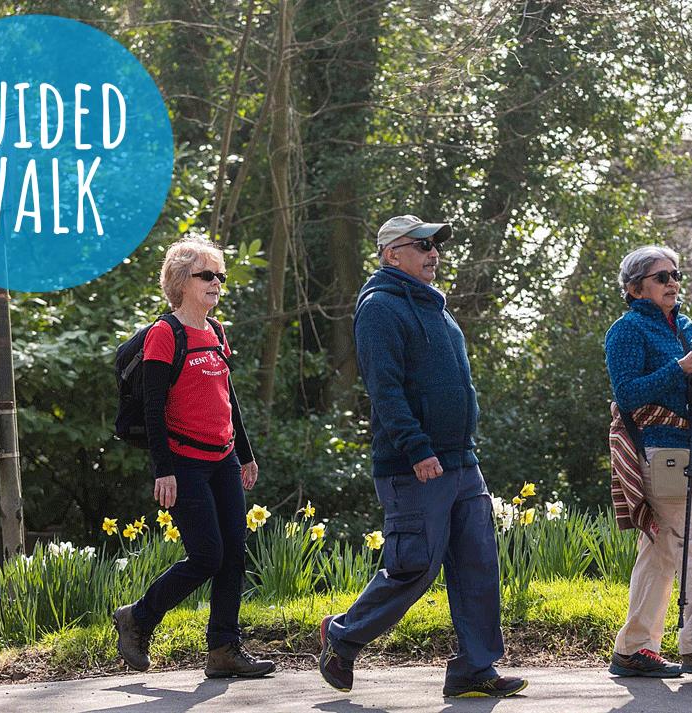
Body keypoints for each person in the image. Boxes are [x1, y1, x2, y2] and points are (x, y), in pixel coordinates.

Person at [318, 215, 526, 698]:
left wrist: (460, 447)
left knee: (478, 564)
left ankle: (474, 669)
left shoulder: (437, 309)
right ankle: (342, 637)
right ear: (392, 254)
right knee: (414, 567)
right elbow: (384, 389)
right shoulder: (379, 307)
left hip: (460, 462)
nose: (434, 252)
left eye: (435, 245)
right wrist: (416, 448)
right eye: (422, 245)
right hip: (414, 466)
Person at [112, 237, 273, 679]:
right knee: (207, 555)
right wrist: (162, 470)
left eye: (220, 275)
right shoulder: (166, 334)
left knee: (234, 554)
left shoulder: (217, 331)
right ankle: (138, 618)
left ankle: (223, 648)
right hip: (183, 462)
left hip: (222, 458)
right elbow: (151, 407)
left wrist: (245, 453)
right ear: (181, 282)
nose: (217, 282)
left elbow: (227, 396)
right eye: (207, 275)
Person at [604, 246, 692, 677]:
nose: (673, 283)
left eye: (676, 275)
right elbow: (628, 394)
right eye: (662, 277)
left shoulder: (684, 326)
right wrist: (680, 366)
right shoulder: (626, 330)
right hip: (653, 451)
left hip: (683, 450)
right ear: (635, 289)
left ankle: (633, 650)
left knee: (661, 553)